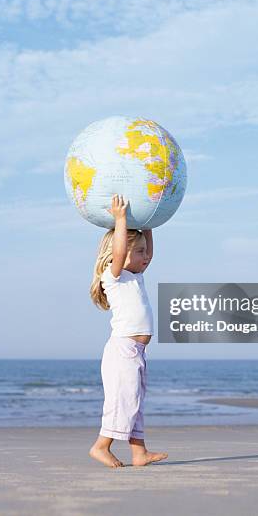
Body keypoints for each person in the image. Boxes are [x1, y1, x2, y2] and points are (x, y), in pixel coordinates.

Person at [88, 194, 168, 468]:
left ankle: (139, 452)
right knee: (123, 400)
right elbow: (121, 253)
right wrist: (121, 219)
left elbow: (149, 253)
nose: (146, 257)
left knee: (134, 402)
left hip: (137, 351)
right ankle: (101, 446)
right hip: (122, 350)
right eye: (140, 251)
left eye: (146, 251)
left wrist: (150, 222)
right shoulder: (115, 276)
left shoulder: (135, 276)